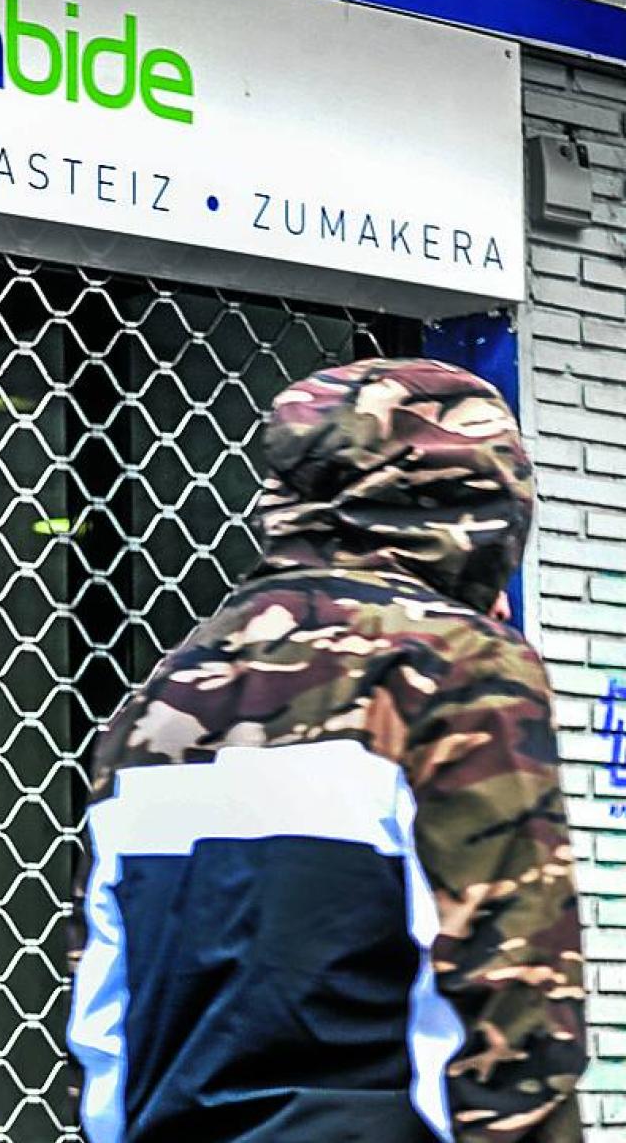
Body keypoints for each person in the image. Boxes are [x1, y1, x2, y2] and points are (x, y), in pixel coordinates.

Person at [68, 358, 587, 1143]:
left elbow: (106, 1019)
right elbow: (512, 1005)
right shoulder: (455, 668)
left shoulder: (161, 696)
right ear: (479, 500)